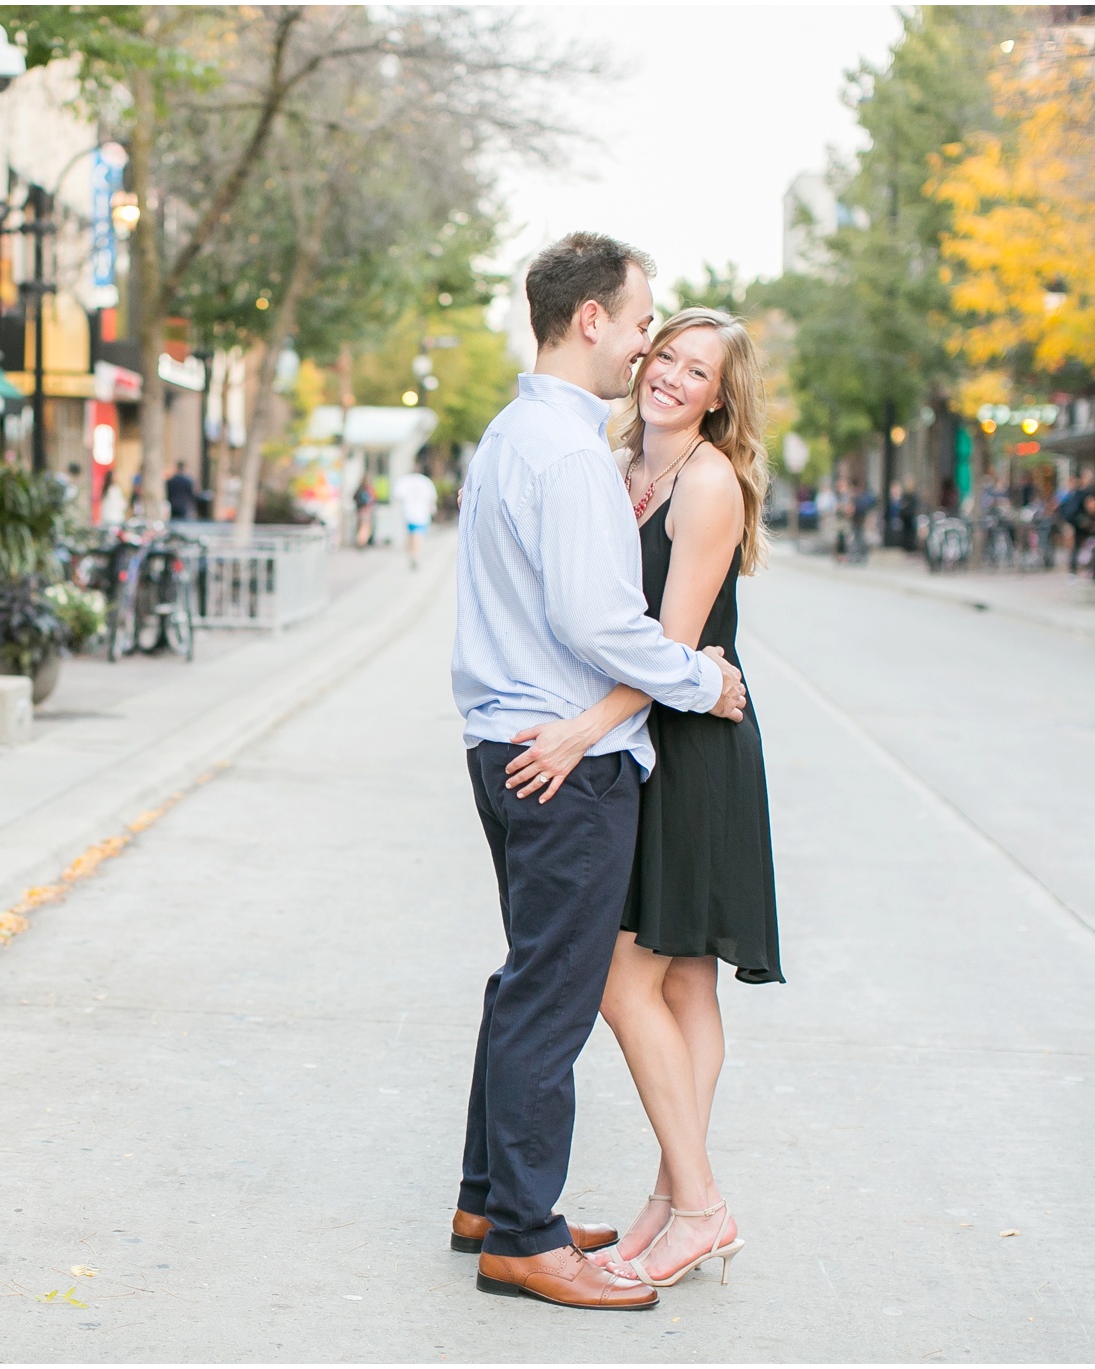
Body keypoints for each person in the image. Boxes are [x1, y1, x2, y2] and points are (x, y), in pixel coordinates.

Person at [449, 232, 747, 1312]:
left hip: (506, 739)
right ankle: (522, 1236)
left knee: (527, 973)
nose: (642, 348)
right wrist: (695, 679)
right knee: (553, 989)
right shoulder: (574, 455)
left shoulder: (512, 431)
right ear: (589, 321)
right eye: (637, 323)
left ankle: (488, 1198)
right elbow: (594, 619)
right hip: (557, 758)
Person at [501, 307, 780, 1294]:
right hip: (645, 727)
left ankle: (696, 1203)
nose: (669, 376)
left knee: (633, 976)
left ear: (717, 394)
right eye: (664, 354)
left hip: (689, 744)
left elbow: (669, 650)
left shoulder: (705, 484)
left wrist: (579, 729)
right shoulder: (619, 467)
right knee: (679, 982)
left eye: (695, 369)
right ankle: (672, 1204)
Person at [395, 464, 439, 569]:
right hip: (422, 514)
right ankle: (415, 555)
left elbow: (397, 495)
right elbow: (432, 498)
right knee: (418, 535)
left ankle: (411, 554)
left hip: (408, 513)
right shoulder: (426, 482)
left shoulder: (404, 481)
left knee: (411, 535)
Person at [352, 474, 377, 550]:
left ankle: (361, 542)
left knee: (363, 526)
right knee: (365, 527)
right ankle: (361, 542)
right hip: (365, 510)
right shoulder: (366, 489)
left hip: (362, 510)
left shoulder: (361, 488)